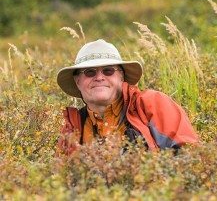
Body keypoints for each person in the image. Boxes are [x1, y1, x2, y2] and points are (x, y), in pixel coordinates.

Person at [56, 39, 198, 155]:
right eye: (89, 72)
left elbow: (190, 155)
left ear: (121, 76)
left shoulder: (152, 103)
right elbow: (60, 179)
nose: (99, 77)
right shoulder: (73, 127)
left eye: (108, 70)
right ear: (77, 81)